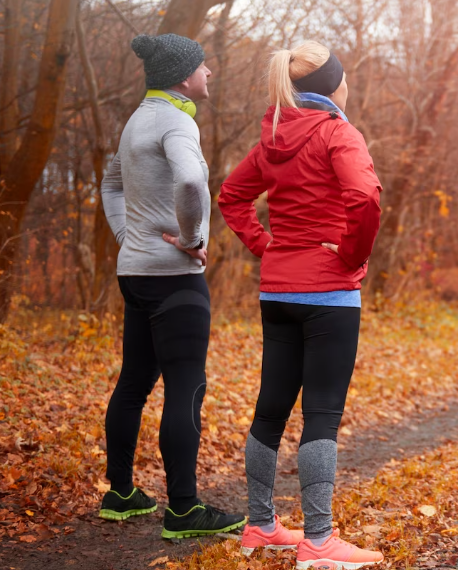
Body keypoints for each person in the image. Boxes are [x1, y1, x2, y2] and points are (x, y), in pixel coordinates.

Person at [218, 41, 384, 569]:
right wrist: (352, 257)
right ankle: (317, 542)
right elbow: (365, 197)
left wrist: (269, 249)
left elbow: (231, 196)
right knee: (322, 414)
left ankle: (262, 526)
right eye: (345, 76)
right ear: (333, 85)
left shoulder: (273, 135)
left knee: (270, 409)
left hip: (279, 292)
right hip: (329, 294)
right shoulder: (338, 132)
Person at [99, 33, 245, 539]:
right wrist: (191, 238)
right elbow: (189, 183)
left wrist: (127, 235)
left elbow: (111, 183)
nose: (209, 74)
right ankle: (184, 509)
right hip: (174, 278)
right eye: (204, 67)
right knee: (185, 387)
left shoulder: (136, 120)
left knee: (134, 382)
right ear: (184, 76)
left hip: (135, 273)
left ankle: (120, 493)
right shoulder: (177, 122)